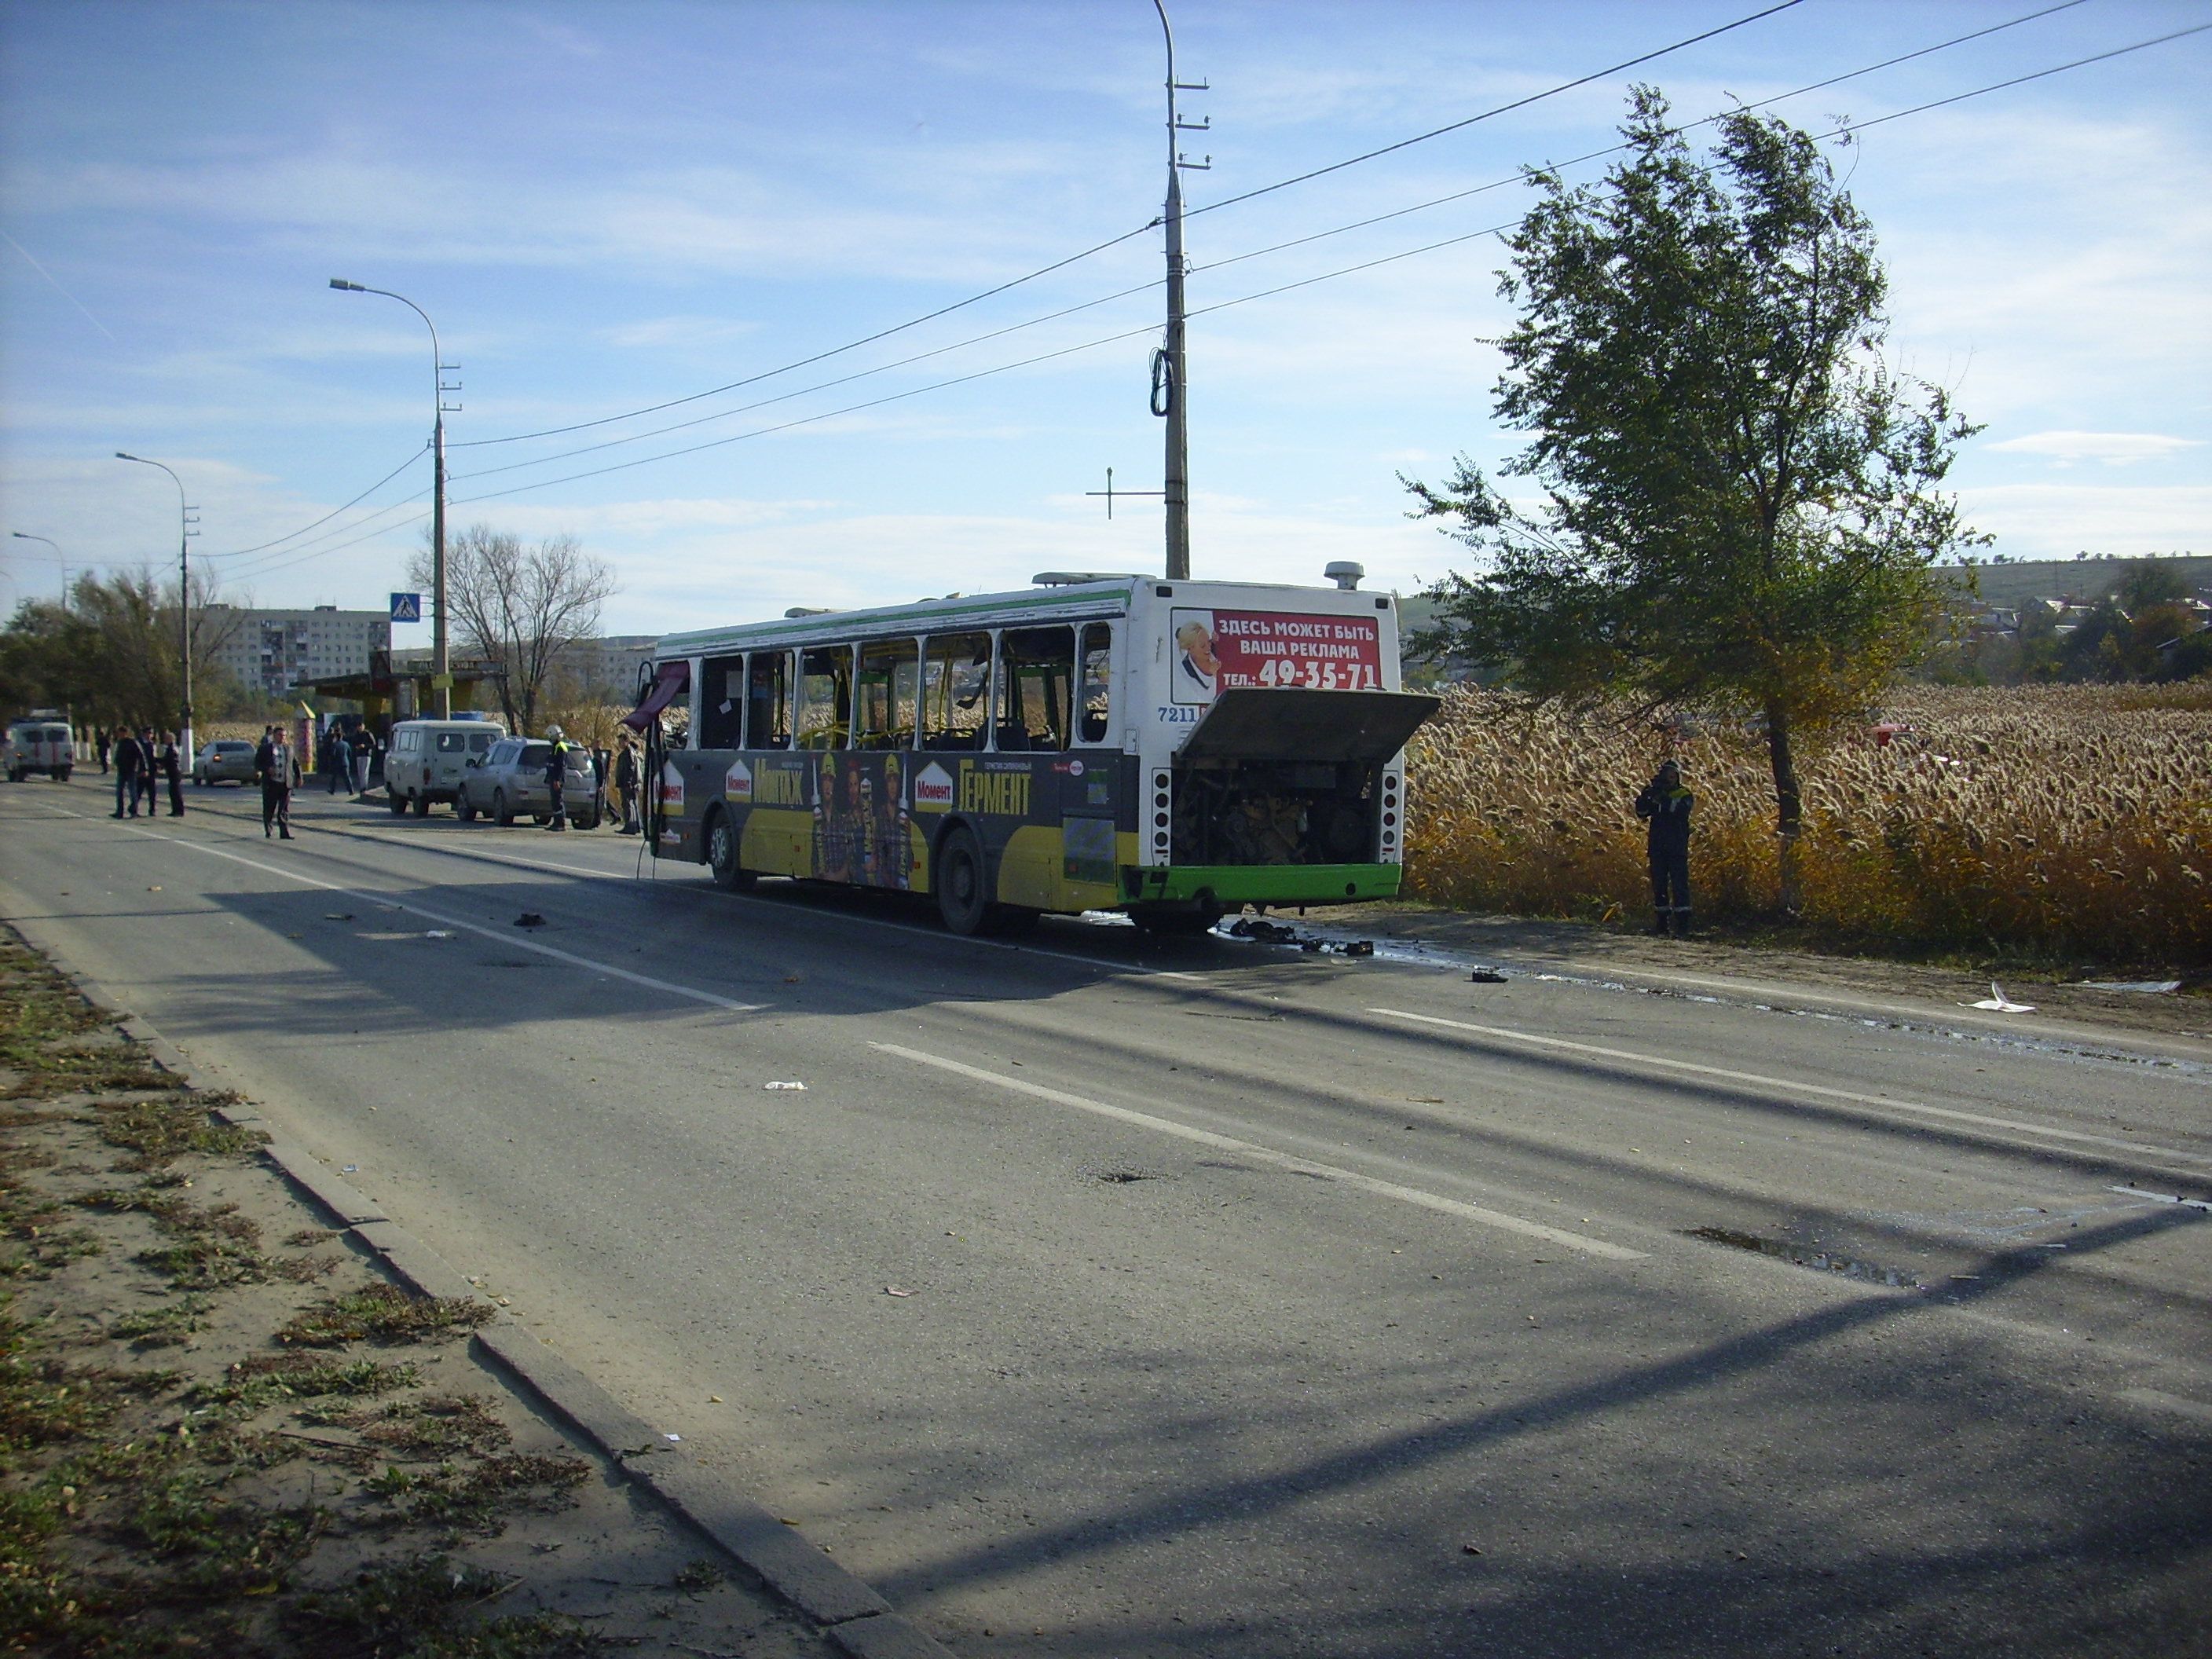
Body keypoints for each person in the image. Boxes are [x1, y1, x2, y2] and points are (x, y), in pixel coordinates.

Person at [1634, 759, 1694, 936]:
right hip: (1658, 846)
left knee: (1679, 884)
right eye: (1666, 774)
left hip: (1677, 846)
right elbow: (1642, 814)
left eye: (1672, 774)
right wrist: (1645, 798)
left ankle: (1683, 925)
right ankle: (1662, 923)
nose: (1669, 778)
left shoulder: (1684, 794)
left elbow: (1678, 811)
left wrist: (1663, 798)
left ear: (1678, 776)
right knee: (1659, 884)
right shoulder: (1655, 793)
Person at [255, 723, 295, 839]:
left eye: (284, 736)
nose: (282, 738)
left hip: (285, 783)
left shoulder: (288, 749)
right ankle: (268, 829)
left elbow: (295, 764)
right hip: (271, 784)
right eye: (280, 735)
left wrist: (299, 777)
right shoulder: (265, 749)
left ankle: (284, 832)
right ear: (274, 736)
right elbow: (257, 763)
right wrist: (267, 769)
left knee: (284, 810)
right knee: (269, 809)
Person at [542, 724, 571, 830]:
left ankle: (560, 824)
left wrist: (557, 780)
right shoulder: (556, 746)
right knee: (555, 801)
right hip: (553, 778)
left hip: (557, 779)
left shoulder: (560, 747)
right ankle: (556, 823)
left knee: (558, 800)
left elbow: (560, 765)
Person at [111, 726, 142, 817]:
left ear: (125, 733)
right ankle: (119, 812)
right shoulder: (120, 742)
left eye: (121, 733)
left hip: (131, 770)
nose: (119, 735)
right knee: (119, 792)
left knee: (132, 791)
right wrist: (116, 763)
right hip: (121, 770)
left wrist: (143, 769)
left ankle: (134, 811)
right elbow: (118, 755)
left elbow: (140, 756)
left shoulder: (132, 742)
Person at [613, 734, 640, 834]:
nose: (619, 744)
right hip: (627, 782)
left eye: (621, 742)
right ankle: (635, 826)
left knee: (627, 805)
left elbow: (630, 768)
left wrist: (628, 781)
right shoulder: (628, 752)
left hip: (627, 783)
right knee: (631, 804)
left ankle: (630, 826)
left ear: (626, 741)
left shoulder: (628, 753)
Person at [159, 731, 185, 817]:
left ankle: (178, 811)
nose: (165, 740)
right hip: (173, 772)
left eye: (166, 738)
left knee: (175, 792)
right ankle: (175, 810)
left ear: (170, 739)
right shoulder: (172, 748)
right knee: (173, 792)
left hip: (174, 772)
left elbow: (168, 760)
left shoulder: (172, 749)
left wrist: (158, 762)